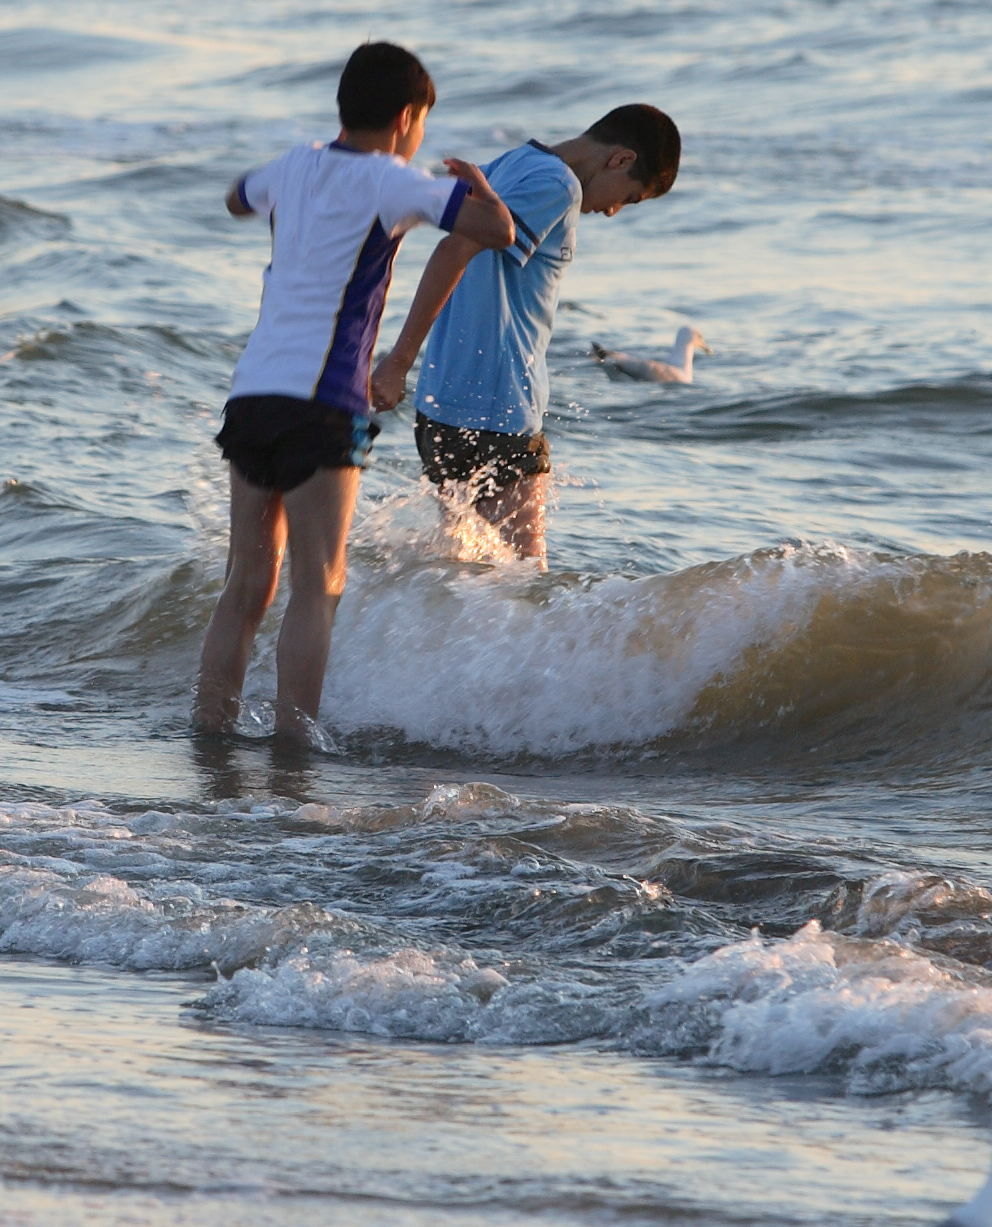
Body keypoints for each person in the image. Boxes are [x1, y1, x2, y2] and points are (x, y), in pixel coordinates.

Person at [195, 41, 517, 738]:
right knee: (319, 586)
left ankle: (209, 727)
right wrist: (481, 187)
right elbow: (496, 231)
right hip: (323, 401)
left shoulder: (293, 163)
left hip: (252, 395)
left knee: (245, 586)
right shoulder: (393, 181)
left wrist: (287, 183)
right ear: (406, 117)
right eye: (422, 122)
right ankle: (292, 746)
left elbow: (233, 198)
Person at [367, 104, 682, 559]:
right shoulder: (559, 186)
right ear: (621, 159)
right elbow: (455, 249)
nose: (613, 211)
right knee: (526, 590)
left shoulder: (513, 163)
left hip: (440, 407)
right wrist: (397, 361)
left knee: (463, 580)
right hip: (499, 410)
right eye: (628, 197)